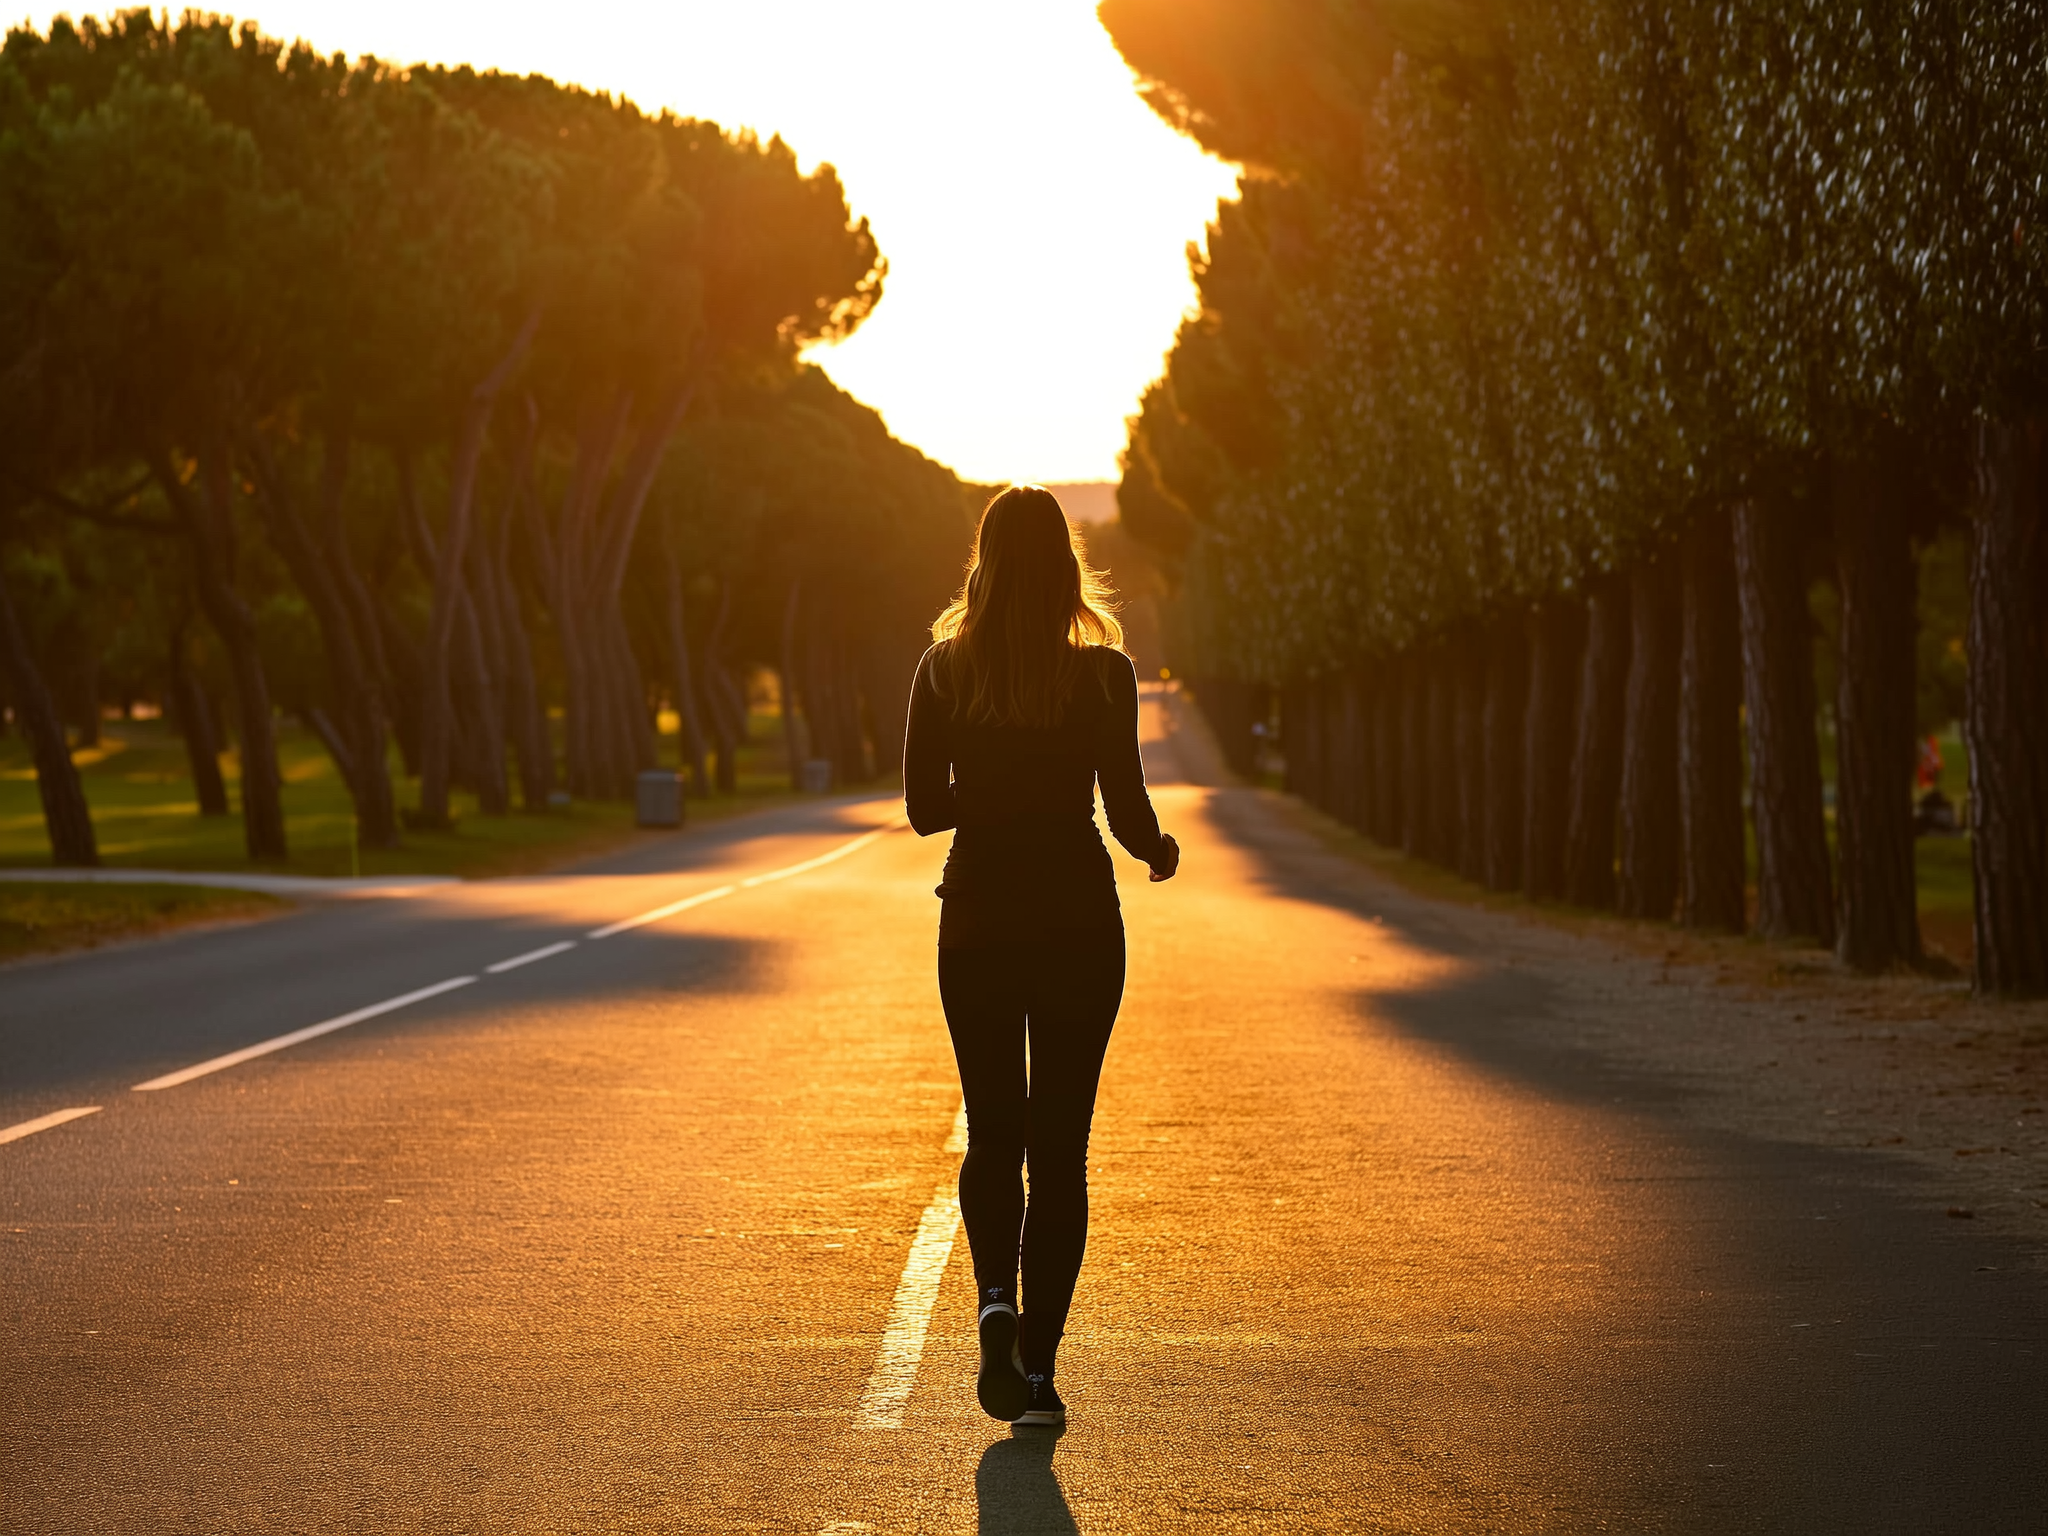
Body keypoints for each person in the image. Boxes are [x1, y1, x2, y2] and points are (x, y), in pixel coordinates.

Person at [902, 484, 1179, 1430]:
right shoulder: (1104, 676)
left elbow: (923, 810)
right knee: (1060, 1152)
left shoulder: (942, 671)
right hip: (1078, 924)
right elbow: (1127, 807)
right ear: (1067, 566)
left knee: (993, 1131)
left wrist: (990, 793)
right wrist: (1158, 852)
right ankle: (1038, 1377)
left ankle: (993, 1301)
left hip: (978, 920)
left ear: (983, 567)